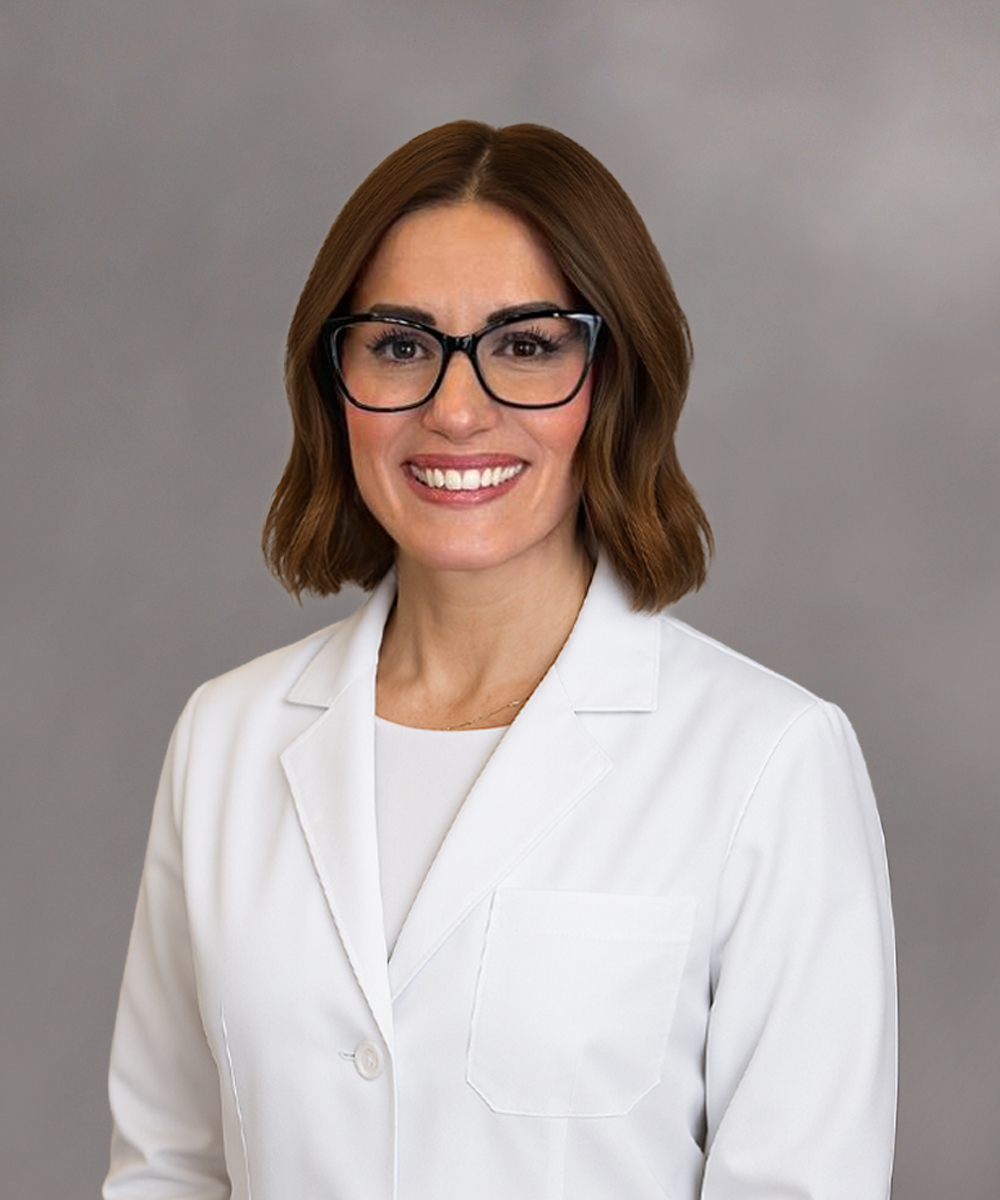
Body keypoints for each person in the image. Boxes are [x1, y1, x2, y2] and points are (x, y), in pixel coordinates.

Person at [104, 121, 896, 1200]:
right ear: (334, 383)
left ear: (609, 382)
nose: (456, 409)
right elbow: (169, 1170)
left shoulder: (769, 762)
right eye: (399, 344)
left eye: (526, 346)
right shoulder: (226, 738)